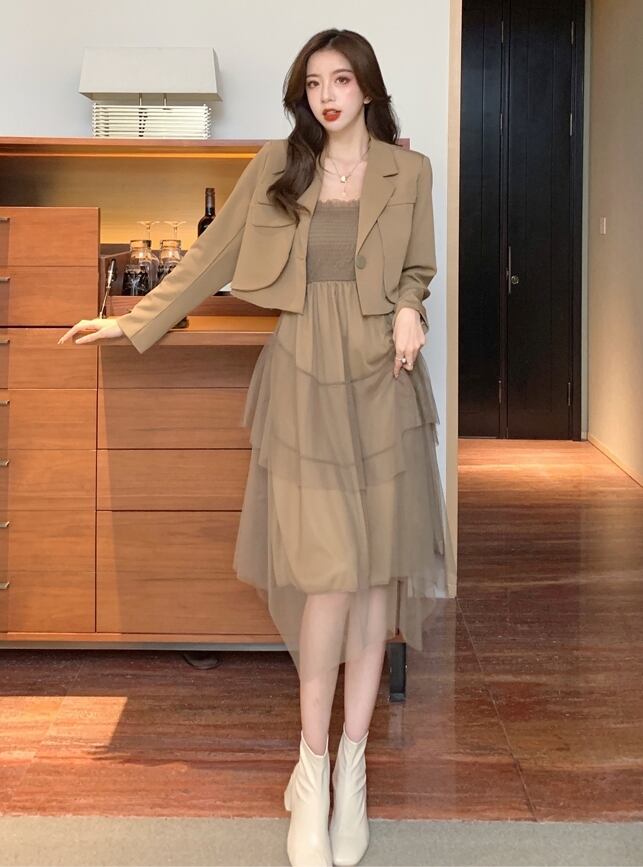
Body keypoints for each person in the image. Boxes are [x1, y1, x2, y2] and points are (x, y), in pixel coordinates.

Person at [59, 27, 456, 867]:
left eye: (340, 80)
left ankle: (352, 766)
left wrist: (409, 307)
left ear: (367, 88)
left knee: (374, 576)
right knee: (330, 575)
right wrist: (132, 321)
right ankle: (309, 767)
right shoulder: (279, 165)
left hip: (382, 382)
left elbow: (417, 270)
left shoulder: (410, 171)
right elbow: (213, 257)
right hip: (305, 376)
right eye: (313, 82)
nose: (327, 96)